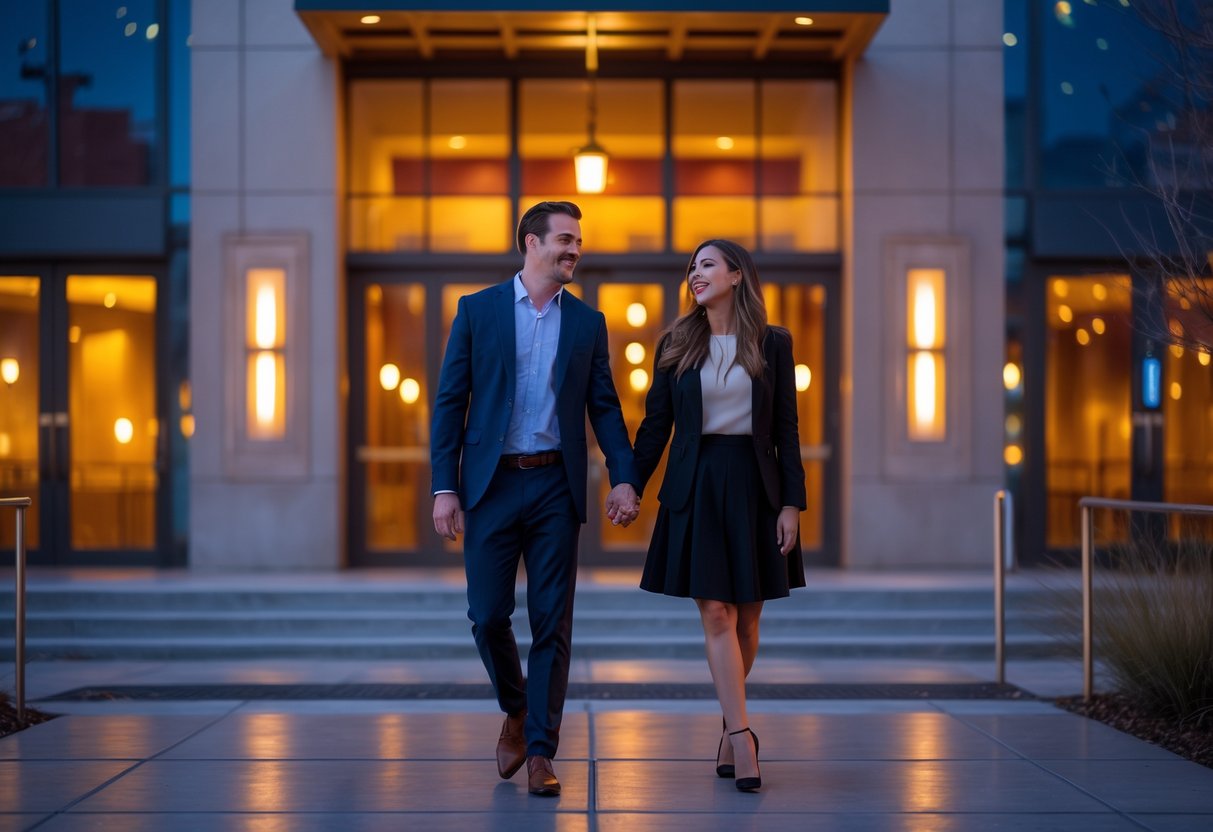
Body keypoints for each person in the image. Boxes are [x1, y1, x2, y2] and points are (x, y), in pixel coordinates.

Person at [430, 201, 640, 797]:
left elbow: (604, 406)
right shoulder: (477, 311)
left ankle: (543, 751)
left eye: (579, 241)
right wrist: (445, 485)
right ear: (531, 242)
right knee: (488, 615)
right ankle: (518, 708)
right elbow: (451, 402)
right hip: (491, 485)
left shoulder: (586, 323)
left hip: (554, 485)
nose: (575, 250)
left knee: (552, 621)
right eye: (565, 240)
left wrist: (623, 475)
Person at [632, 239, 807, 793]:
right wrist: (628, 483)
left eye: (706, 264)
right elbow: (656, 425)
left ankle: (731, 727)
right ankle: (745, 736)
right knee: (717, 615)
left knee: (749, 619)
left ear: (736, 274)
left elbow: (786, 430)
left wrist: (790, 504)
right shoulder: (677, 342)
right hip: (699, 483)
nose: (694, 274)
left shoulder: (773, 343)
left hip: (755, 486)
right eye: (692, 267)